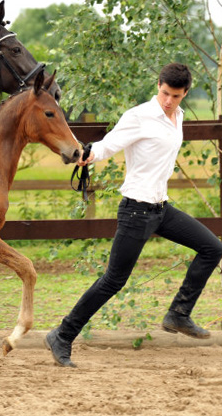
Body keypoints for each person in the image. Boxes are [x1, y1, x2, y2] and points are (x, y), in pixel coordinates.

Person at [45, 63, 222, 368]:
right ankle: (62, 334)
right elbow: (107, 145)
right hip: (136, 211)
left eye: (176, 96)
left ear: (185, 94)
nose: (168, 101)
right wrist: (86, 155)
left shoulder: (177, 116)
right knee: (113, 281)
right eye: (165, 93)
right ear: (158, 85)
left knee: (212, 248)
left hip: (161, 209)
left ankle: (178, 313)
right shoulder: (138, 116)